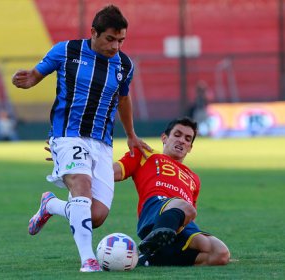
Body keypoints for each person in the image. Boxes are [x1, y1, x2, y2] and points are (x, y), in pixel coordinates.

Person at [12, 5, 150, 272]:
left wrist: (131, 134)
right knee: (81, 187)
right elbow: (36, 74)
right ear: (94, 33)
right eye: (110, 39)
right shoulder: (66, 51)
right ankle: (88, 260)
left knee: (95, 215)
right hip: (67, 135)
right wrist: (30, 80)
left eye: (121, 40)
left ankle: (50, 205)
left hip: (101, 143)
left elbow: (123, 98)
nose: (115, 46)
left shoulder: (124, 64)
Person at [113, 117, 230, 266]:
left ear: (190, 148)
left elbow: (189, 216)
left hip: (181, 221)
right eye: (177, 135)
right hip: (155, 208)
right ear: (164, 138)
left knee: (220, 254)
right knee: (186, 207)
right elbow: (112, 172)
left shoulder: (193, 178)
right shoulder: (145, 154)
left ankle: (150, 258)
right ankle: (153, 239)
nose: (182, 140)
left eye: (188, 139)